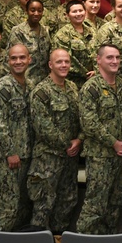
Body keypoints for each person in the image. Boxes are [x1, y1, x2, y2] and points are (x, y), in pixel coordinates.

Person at [76, 44, 122, 234]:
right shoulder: (91, 88)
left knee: (116, 205)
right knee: (95, 206)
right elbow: (89, 122)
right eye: (110, 58)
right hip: (100, 157)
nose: (115, 61)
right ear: (98, 60)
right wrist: (114, 142)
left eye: (118, 57)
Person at [28, 48, 82, 233]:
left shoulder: (73, 88)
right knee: (43, 205)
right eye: (59, 62)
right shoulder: (41, 92)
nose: (64, 65)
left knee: (67, 202)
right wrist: (68, 144)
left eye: (66, 61)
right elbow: (43, 128)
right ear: (50, 65)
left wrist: (79, 140)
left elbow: (82, 119)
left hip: (69, 159)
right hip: (48, 159)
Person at [0, 44, 34, 231]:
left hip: (25, 156)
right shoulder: (2, 87)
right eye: (14, 58)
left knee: (21, 209)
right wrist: (10, 152)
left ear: (29, 59)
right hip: (5, 159)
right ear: (8, 61)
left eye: (22, 57)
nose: (18, 62)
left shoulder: (30, 86)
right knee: (5, 209)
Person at [53, 0, 96, 87]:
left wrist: (97, 70)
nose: (78, 14)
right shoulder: (62, 35)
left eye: (80, 11)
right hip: (73, 83)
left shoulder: (92, 30)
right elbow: (66, 60)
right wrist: (87, 74)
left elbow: (99, 51)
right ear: (68, 15)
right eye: (74, 11)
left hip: (94, 80)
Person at [7, 0, 51, 83]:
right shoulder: (18, 31)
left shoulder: (45, 31)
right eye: (32, 10)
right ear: (26, 11)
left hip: (44, 81)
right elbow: (11, 58)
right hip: (25, 80)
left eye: (40, 10)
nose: (36, 13)